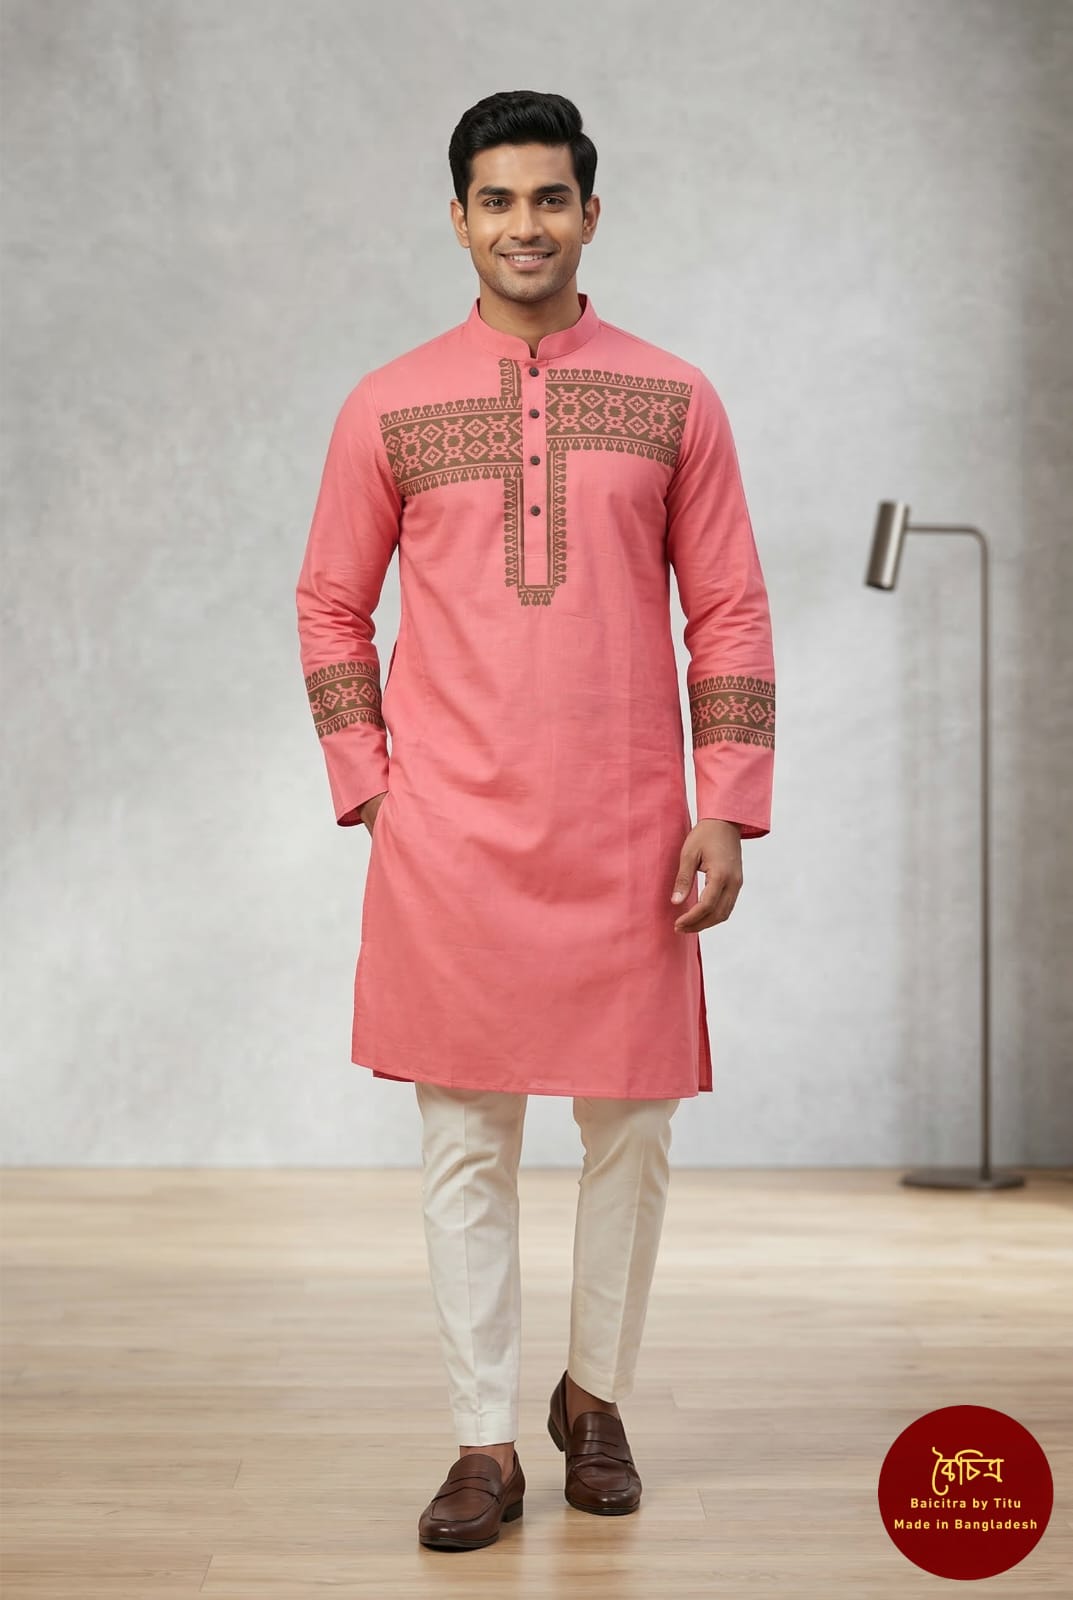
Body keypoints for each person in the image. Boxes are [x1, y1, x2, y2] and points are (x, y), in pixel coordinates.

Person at [295, 89, 776, 1551]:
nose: (525, 225)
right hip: (450, 835)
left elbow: (730, 608)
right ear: (458, 219)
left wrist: (726, 804)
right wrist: (372, 783)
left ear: (590, 213)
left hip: (629, 831)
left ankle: (596, 1397)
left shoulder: (676, 397)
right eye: (497, 200)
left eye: (550, 198)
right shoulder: (388, 403)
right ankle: (483, 1440)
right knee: (464, 1137)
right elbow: (329, 601)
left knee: (632, 1131)